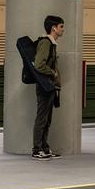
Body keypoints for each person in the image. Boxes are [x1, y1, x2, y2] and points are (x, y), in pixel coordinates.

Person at [32, 15, 64, 160]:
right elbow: (39, 64)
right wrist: (53, 73)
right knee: (42, 118)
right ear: (53, 28)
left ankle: (45, 147)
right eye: (61, 26)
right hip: (44, 86)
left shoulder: (52, 44)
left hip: (50, 87)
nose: (63, 29)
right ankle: (37, 149)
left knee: (47, 119)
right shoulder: (45, 43)